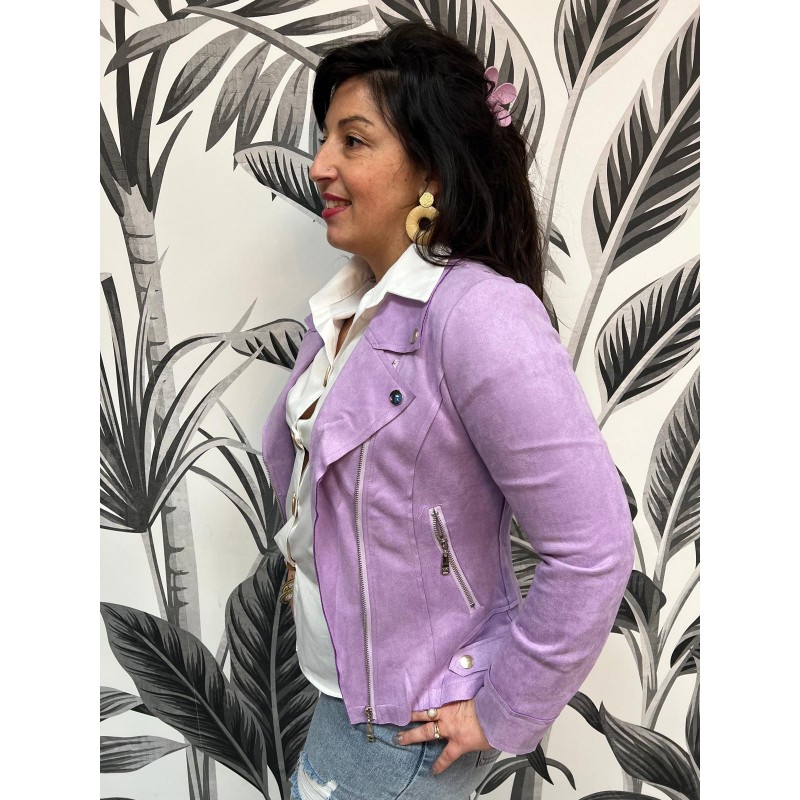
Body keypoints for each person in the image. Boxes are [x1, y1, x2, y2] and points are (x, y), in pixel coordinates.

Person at [260, 20, 635, 800]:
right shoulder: (344, 310)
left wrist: (503, 709)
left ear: (430, 168)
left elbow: (594, 549)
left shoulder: (478, 316)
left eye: (353, 141)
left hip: (405, 727)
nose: (321, 164)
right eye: (325, 138)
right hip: (343, 699)